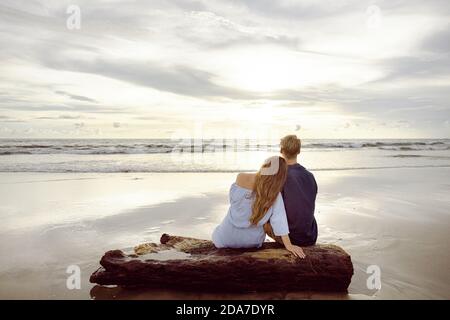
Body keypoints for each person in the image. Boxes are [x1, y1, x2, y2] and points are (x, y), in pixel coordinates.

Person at [212, 156, 306, 258]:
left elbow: (233, 202)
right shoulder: (275, 195)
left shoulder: (241, 177)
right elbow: (280, 221)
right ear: (281, 176)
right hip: (252, 242)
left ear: (265, 165)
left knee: (218, 230)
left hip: (226, 237)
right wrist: (289, 245)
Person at [264, 135, 318, 246]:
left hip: (290, 238)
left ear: (281, 150)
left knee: (262, 220)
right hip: (310, 236)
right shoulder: (310, 176)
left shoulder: (279, 176)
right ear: (298, 151)